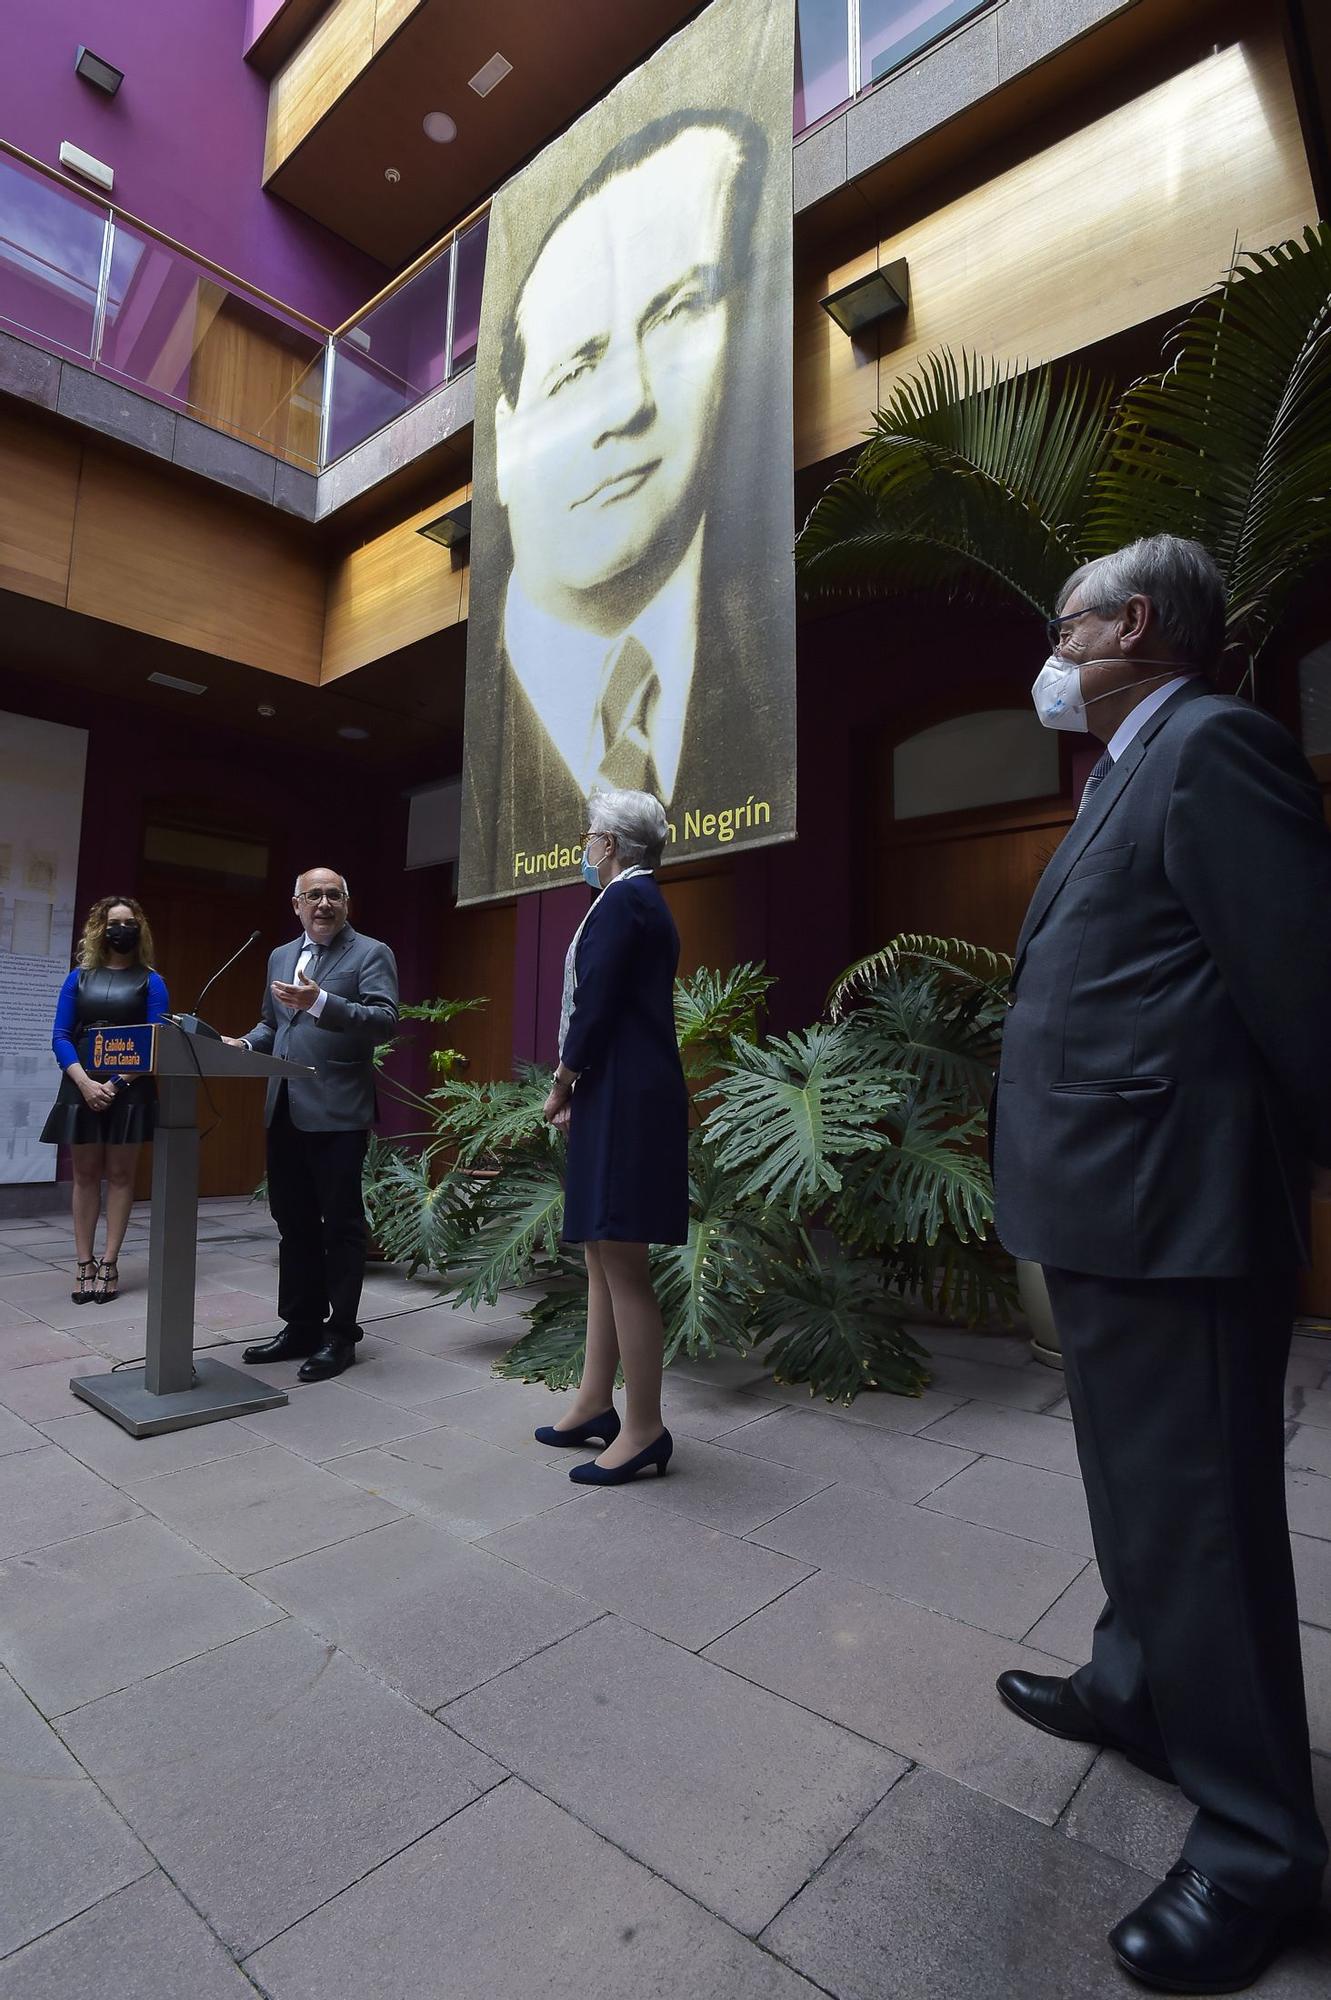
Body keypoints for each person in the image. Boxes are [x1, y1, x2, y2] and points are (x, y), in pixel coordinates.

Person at [990, 534, 1330, 1993]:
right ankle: (1135, 1685)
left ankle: (1259, 1848)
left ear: (1129, 624)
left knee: (1198, 1515)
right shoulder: (1131, 760)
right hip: (1108, 1206)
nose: (1050, 654)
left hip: (1176, 1211)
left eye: (1063, 625)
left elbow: (1301, 989)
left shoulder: (1210, 749)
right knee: (1133, 1485)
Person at [462, 108, 786, 893]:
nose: (627, 404)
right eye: (575, 369)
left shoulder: (769, 655)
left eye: (676, 313)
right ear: (505, 441)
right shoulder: (479, 764)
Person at [535, 788, 689, 1483]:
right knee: (601, 1250)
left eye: (589, 835)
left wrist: (564, 1079)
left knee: (620, 1258)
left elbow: (594, 1003)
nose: (584, 847)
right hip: (619, 1089)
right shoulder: (635, 900)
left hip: (623, 1092)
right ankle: (595, 1404)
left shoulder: (624, 901)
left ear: (612, 844)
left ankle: (645, 1427)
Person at [226, 869, 398, 1382]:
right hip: (284, 1106)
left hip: (339, 1108)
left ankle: (340, 1335)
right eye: (313, 895)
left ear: (347, 903)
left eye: (334, 895)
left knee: (341, 1226)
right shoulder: (280, 955)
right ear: (295, 904)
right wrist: (246, 1044)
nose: (323, 903)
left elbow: (385, 1019)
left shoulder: (370, 952)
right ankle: (300, 1325)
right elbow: (272, 1022)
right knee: (292, 1221)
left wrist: (321, 1001)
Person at [41, 896, 169, 1305]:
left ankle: (110, 1262)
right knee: (84, 1175)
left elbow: (155, 1039)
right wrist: (85, 1082)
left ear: (140, 929)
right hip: (80, 1082)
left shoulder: (152, 980)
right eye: (114, 923)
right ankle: (84, 1263)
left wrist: (114, 1083)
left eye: (129, 922)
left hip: (130, 1085)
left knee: (120, 1176)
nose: (122, 929)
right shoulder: (78, 977)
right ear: (100, 928)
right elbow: (61, 1035)